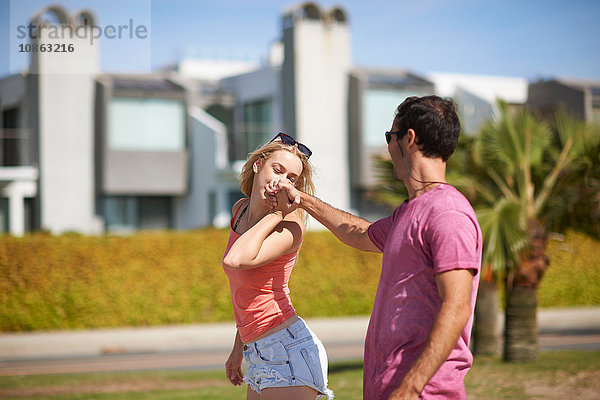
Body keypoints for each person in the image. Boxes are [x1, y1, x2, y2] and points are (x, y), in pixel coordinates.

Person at [268, 96, 482, 400]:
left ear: (408, 139)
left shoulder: (448, 213)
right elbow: (360, 233)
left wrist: (410, 388)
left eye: (389, 137)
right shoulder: (409, 213)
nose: (388, 148)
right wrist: (301, 198)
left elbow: (457, 306)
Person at [222, 132, 334, 400]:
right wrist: (239, 347)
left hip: (289, 350)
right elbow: (249, 290)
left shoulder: (290, 226)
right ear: (258, 165)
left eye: (291, 178)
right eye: (277, 169)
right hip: (257, 350)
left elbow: (235, 260)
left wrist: (277, 213)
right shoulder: (240, 210)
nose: (281, 181)